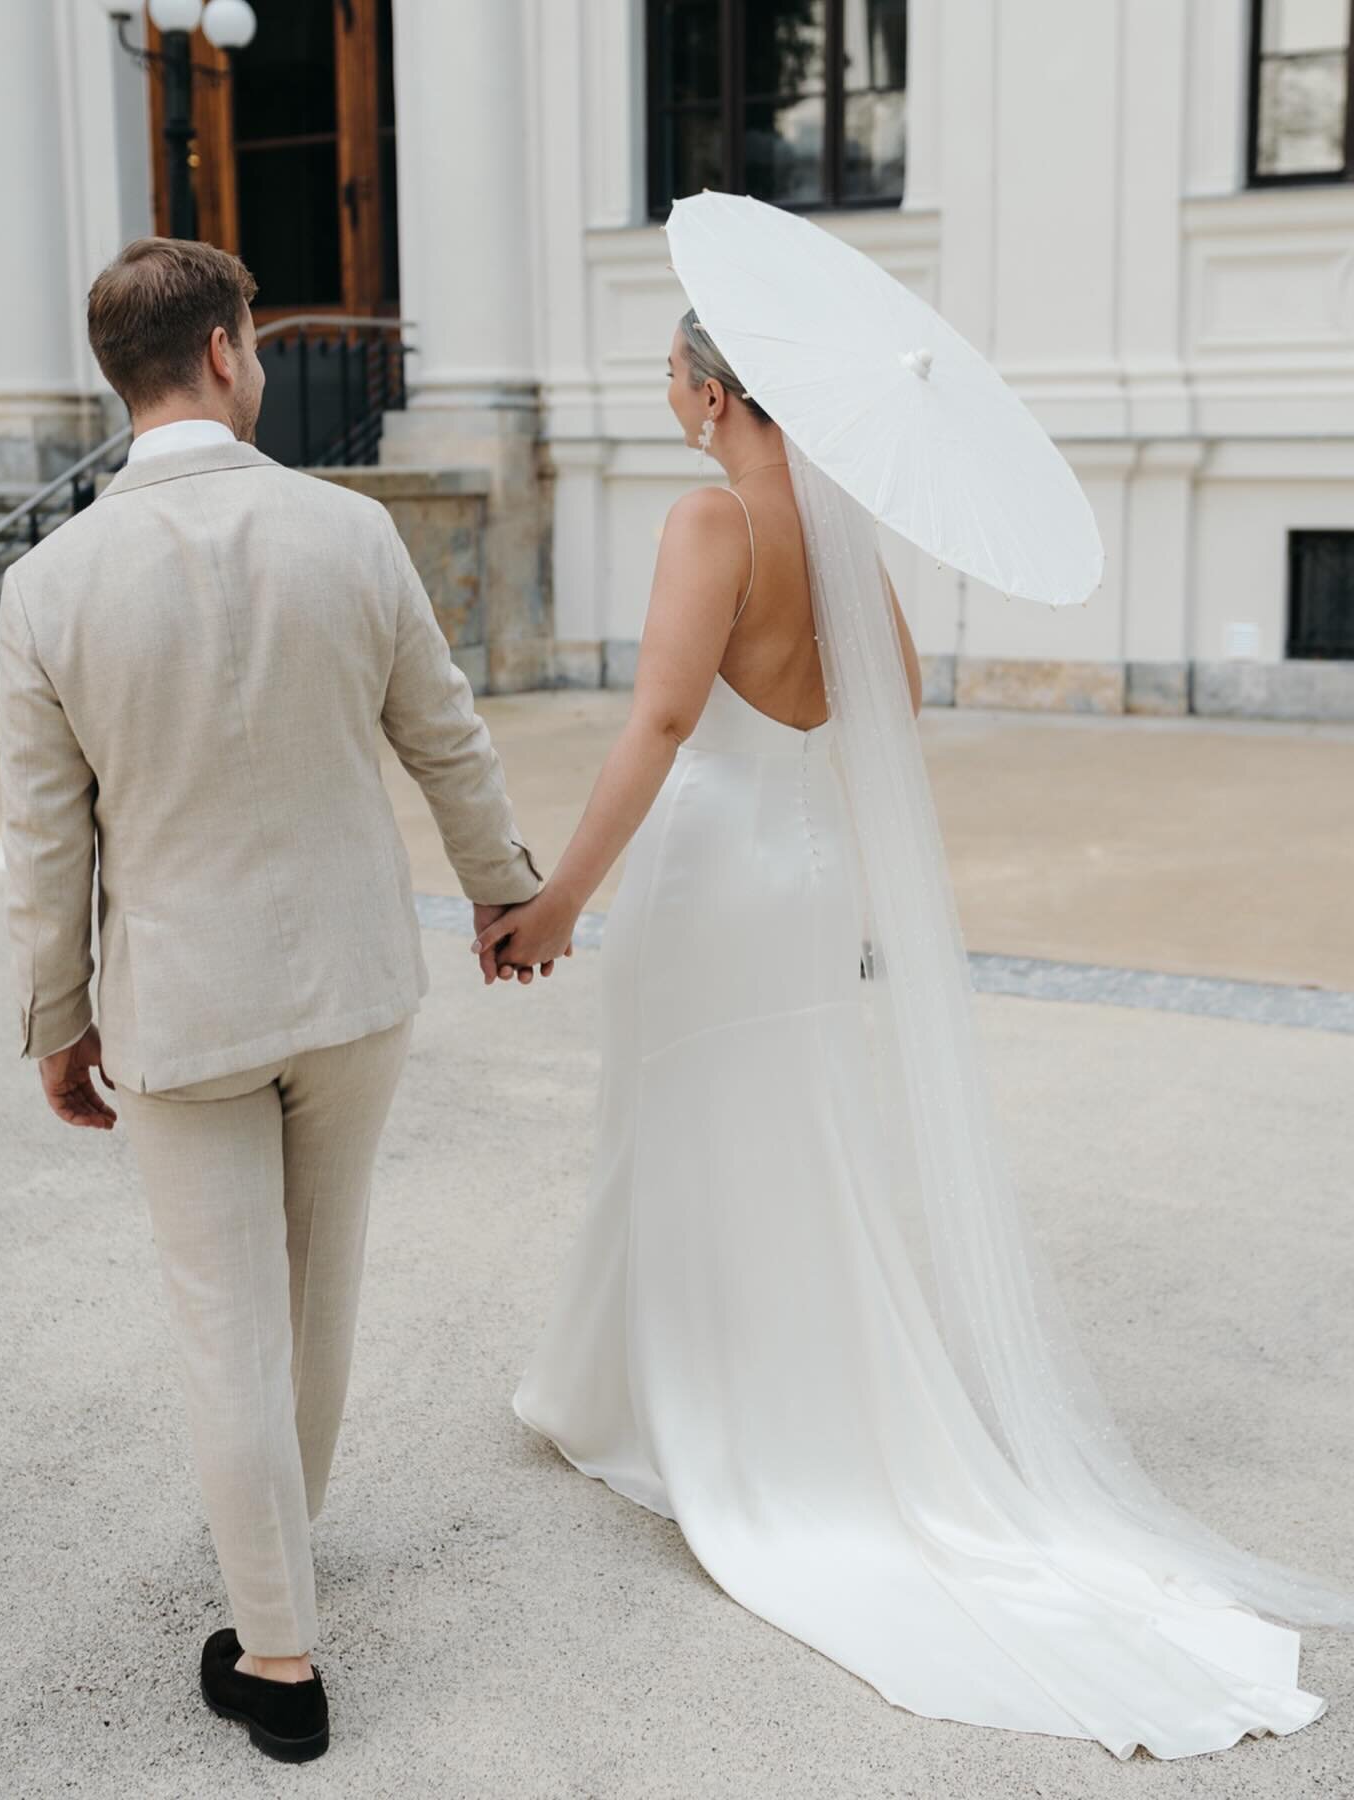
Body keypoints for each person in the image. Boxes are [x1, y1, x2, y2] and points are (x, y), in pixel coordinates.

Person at [474, 309, 1349, 1760]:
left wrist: (561, 897)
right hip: (809, 887)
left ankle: (694, 1409)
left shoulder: (709, 522)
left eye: (674, 379)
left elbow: (663, 722)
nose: (673, 401)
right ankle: (683, 1385)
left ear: (708, 393)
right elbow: (897, 706)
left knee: (686, 1130)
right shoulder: (842, 539)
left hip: (715, 882)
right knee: (794, 1140)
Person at [0, 237, 548, 1764]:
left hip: (179, 1009)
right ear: (233, 352)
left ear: (124, 379)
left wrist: (57, 1022)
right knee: (318, 1295)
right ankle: (276, 1567)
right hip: (355, 989)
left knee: (221, 1322)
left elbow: (47, 848)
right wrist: (502, 886)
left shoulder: (46, 586)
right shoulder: (351, 532)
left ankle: (280, 1650)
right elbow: (450, 739)